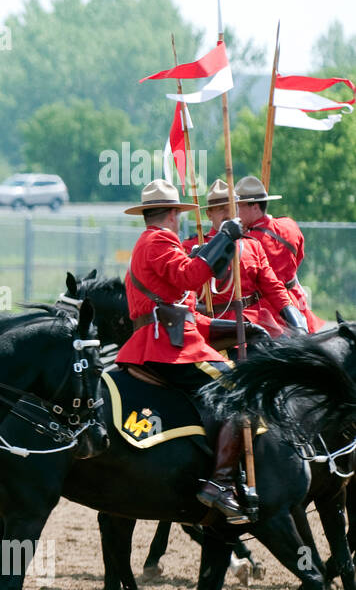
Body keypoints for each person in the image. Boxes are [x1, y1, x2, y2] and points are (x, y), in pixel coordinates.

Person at [115, 179, 252, 524]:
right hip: (165, 347)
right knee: (238, 389)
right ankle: (219, 483)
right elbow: (191, 276)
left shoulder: (149, 242)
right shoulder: (159, 239)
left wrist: (239, 328)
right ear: (174, 214)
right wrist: (225, 235)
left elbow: (183, 310)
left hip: (167, 337)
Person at [181, 180, 305, 338]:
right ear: (209, 214)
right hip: (216, 326)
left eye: (231, 208)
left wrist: (298, 324)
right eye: (220, 209)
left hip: (254, 323)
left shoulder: (253, 245)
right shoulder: (192, 245)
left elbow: (274, 289)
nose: (227, 213)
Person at [234, 176, 322, 332]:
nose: (235, 212)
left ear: (255, 207)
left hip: (268, 311)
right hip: (296, 302)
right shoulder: (289, 225)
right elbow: (298, 258)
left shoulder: (248, 242)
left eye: (238, 206)